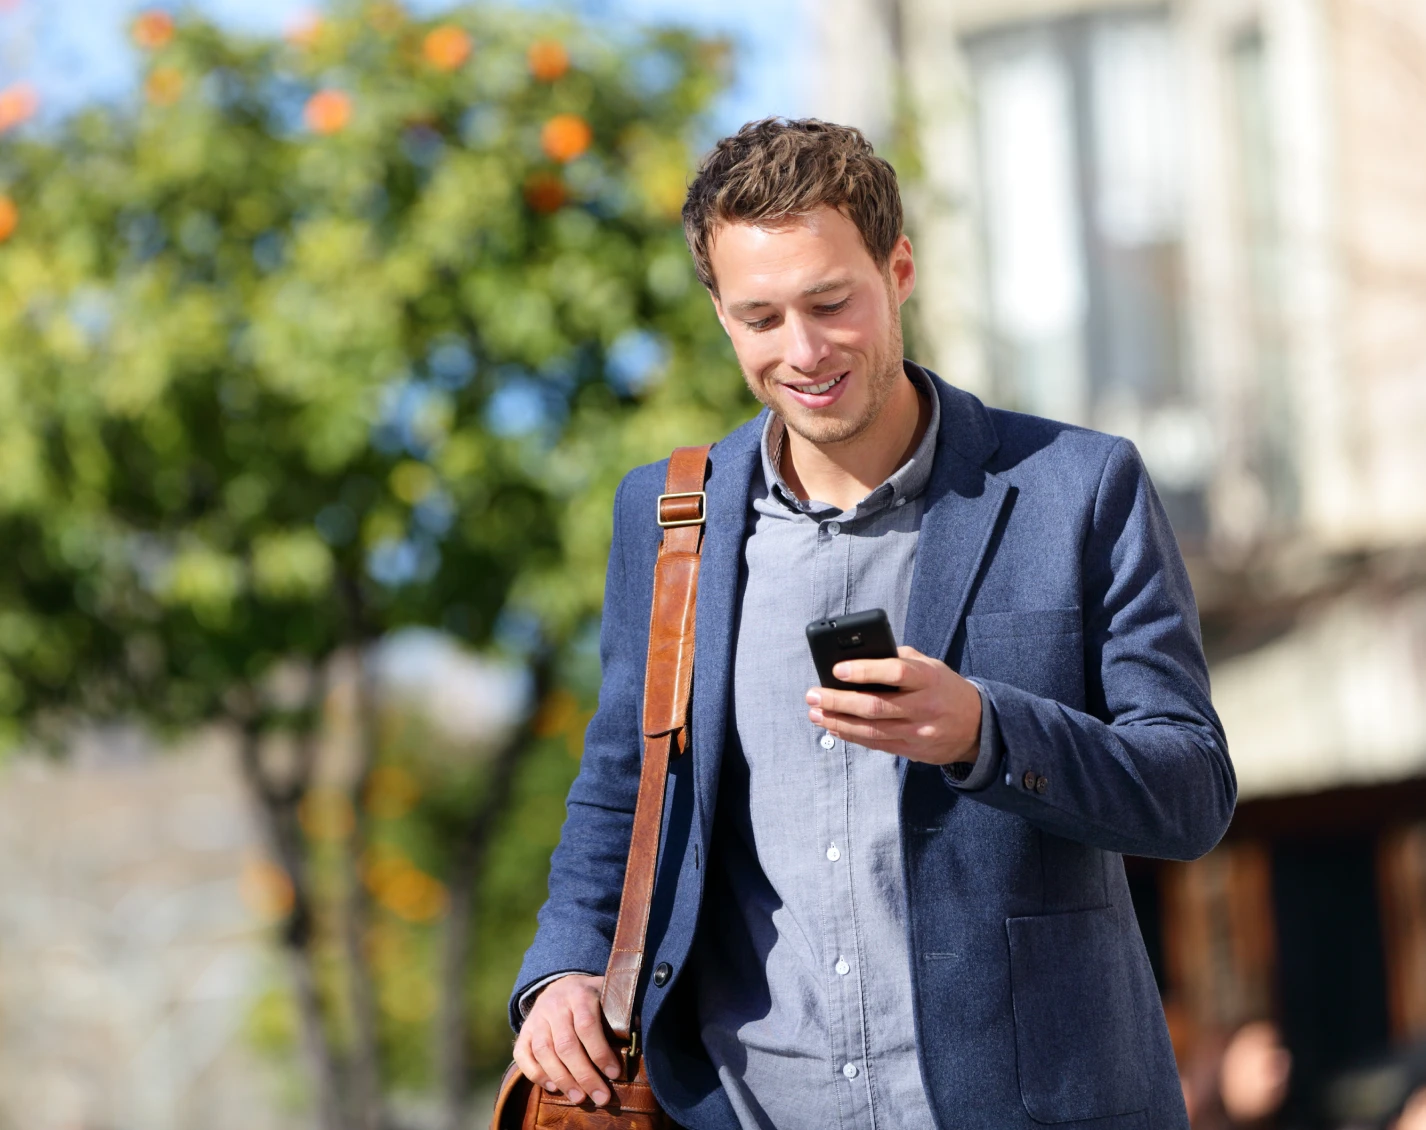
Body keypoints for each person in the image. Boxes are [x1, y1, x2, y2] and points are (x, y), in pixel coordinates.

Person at [508, 117, 1236, 1130]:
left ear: (898, 271)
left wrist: (985, 731)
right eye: (760, 317)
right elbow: (626, 781)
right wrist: (564, 968)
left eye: (829, 303)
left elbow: (1190, 790)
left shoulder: (1079, 485)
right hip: (744, 1106)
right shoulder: (671, 516)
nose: (802, 351)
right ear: (720, 313)